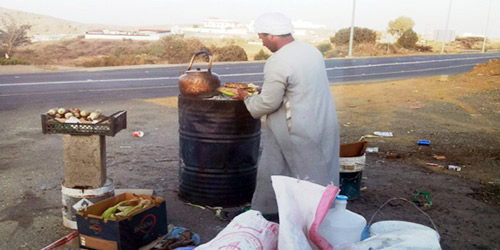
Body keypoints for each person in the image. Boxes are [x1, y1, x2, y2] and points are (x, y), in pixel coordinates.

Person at [233, 12, 340, 219]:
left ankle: (304, 221)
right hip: (322, 119)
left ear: (272, 35)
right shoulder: (311, 50)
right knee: (282, 168)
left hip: (298, 128)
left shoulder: (278, 61)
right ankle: (268, 212)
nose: (261, 42)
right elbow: (298, 86)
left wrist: (246, 98)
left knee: (304, 177)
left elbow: (267, 103)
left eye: (262, 37)